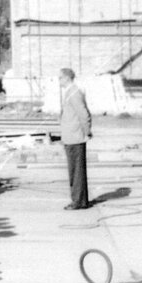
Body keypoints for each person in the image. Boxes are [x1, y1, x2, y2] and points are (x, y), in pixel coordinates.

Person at [59, 68, 92, 210]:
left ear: (66, 78)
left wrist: (87, 132)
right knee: (75, 171)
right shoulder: (69, 92)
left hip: (75, 137)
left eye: (60, 77)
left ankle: (78, 201)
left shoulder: (74, 92)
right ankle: (80, 200)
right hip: (71, 137)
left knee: (76, 171)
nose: (58, 80)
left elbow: (83, 114)